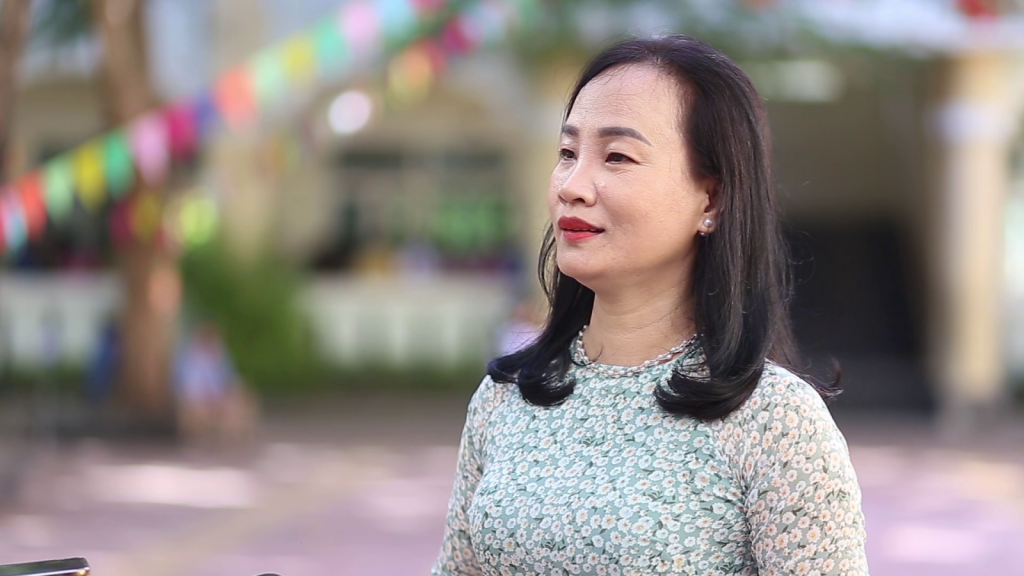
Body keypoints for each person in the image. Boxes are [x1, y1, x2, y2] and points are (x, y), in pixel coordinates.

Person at [433, 35, 868, 575]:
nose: (572, 186)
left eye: (617, 156)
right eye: (567, 153)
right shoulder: (506, 397)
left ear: (712, 199)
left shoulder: (774, 422)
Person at [173, 321, 258, 445]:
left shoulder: (221, 358)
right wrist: (207, 397)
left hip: (219, 397)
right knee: (197, 407)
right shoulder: (189, 359)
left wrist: (230, 392)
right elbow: (188, 386)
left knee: (240, 398)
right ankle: (202, 439)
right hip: (198, 399)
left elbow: (231, 379)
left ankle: (233, 437)